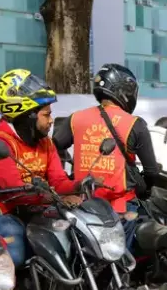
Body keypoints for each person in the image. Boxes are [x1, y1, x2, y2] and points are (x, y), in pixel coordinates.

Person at [0, 69, 81, 266]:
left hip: (34, 205)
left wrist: (80, 185)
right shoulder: (0, 144)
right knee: (16, 241)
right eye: (46, 115)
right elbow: (17, 193)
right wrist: (58, 197)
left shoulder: (45, 142)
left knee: (73, 231)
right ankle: (9, 285)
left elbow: (58, 180)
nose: (51, 120)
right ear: (27, 116)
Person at [53, 64, 159, 214]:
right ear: (124, 91)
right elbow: (152, 172)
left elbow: (52, 148)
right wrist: (145, 189)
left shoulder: (76, 118)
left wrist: (64, 180)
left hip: (83, 208)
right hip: (121, 208)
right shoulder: (134, 124)